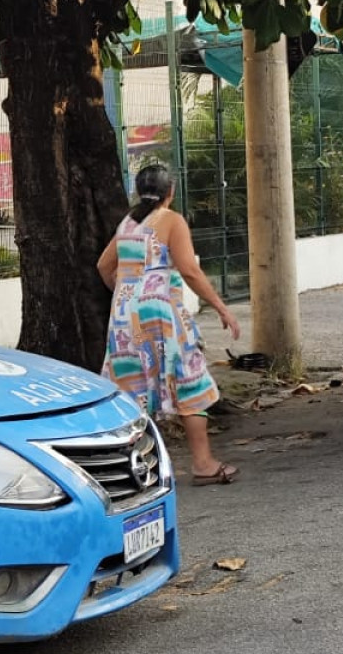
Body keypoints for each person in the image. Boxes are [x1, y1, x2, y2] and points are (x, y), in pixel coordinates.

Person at [98, 163, 243, 485]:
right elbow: (190, 270)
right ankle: (203, 464)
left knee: (131, 389)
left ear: (138, 190)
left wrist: (127, 295)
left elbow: (104, 265)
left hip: (124, 318)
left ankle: (131, 471)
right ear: (170, 192)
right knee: (189, 382)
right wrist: (222, 308)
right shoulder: (171, 220)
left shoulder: (128, 223)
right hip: (161, 315)